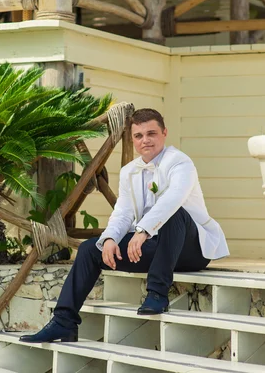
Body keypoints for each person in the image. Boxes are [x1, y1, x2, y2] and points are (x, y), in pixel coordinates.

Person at [20, 108, 229, 343]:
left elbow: (172, 200)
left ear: (164, 133)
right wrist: (109, 239)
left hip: (192, 249)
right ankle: (63, 322)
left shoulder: (180, 163)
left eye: (151, 133)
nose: (145, 140)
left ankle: (157, 295)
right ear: (132, 139)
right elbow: (122, 213)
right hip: (156, 248)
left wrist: (142, 231)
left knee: (175, 213)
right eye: (138, 136)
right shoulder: (130, 171)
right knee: (91, 249)